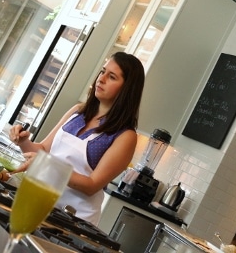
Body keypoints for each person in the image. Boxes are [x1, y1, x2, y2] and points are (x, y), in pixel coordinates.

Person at [9, 52, 144, 225]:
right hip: (39, 202)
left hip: (73, 220)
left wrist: (46, 164)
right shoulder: (77, 111)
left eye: (111, 77)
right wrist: (23, 141)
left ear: (127, 89)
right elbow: (42, 150)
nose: (101, 79)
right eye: (102, 72)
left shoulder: (125, 136)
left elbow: (92, 185)